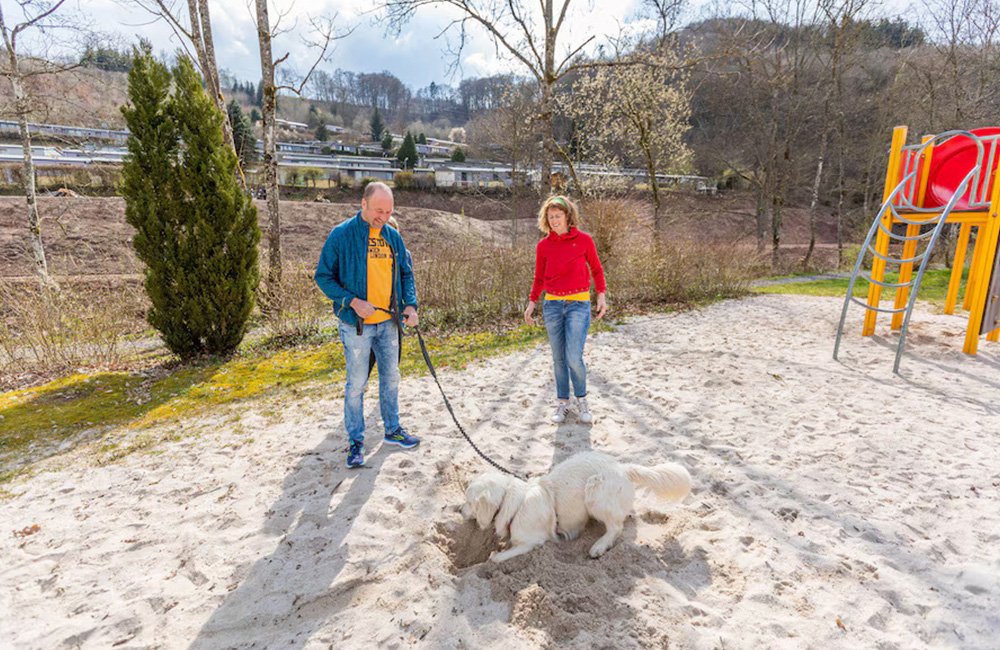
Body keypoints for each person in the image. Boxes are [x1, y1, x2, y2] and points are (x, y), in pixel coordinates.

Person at [315, 182, 420, 468]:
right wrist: (350, 300)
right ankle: (356, 441)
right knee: (357, 385)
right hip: (356, 326)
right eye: (378, 210)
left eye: (388, 212)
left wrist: (410, 305)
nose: (383, 217)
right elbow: (323, 277)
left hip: (388, 323)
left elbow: (407, 275)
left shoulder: (393, 237)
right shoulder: (341, 235)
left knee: (391, 378)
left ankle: (392, 430)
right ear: (363, 204)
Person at [524, 195, 608, 424]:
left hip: (578, 306)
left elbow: (597, 270)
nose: (554, 221)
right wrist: (532, 303)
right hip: (552, 305)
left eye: (558, 216)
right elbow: (539, 277)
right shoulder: (543, 246)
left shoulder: (584, 241)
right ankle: (562, 402)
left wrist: (601, 295)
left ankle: (581, 398)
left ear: (568, 216)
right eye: (550, 217)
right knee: (558, 358)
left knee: (573, 356)